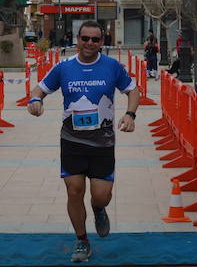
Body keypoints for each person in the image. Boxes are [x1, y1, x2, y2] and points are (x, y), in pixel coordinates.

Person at [27, 20, 140, 263]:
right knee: (74, 190)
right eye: (85, 38)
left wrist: (130, 114)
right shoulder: (63, 67)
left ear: (102, 42)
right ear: (77, 39)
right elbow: (39, 89)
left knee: (101, 196)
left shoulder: (111, 66)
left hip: (103, 142)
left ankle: (99, 209)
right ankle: (82, 241)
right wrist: (34, 101)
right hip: (72, 141)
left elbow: (133, 90)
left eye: (95, 40)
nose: (89, 43)